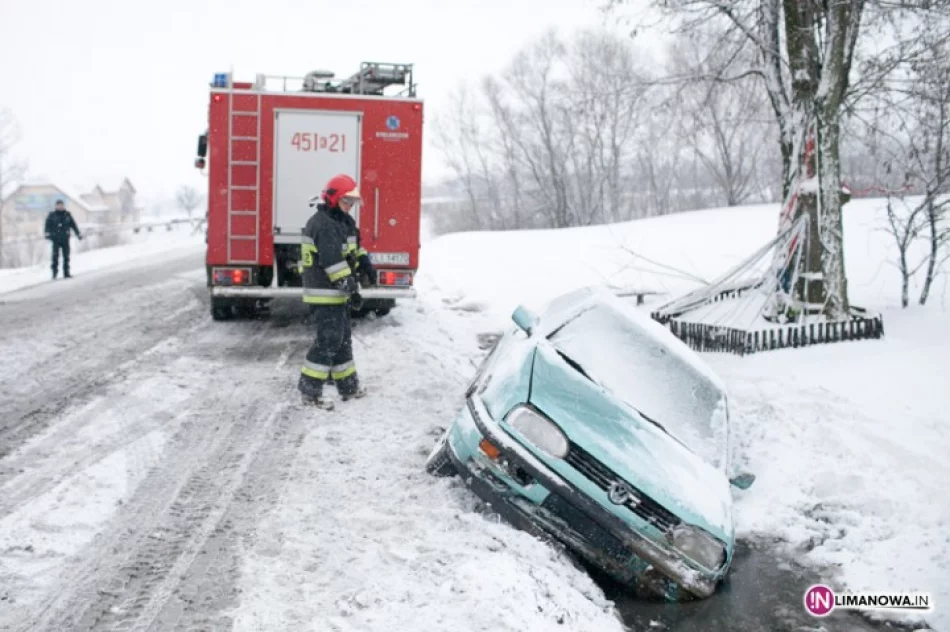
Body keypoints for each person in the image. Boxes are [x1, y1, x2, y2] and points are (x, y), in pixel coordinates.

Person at [298, 174, 368, 410]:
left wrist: (365, 261)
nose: (350, 206)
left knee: (342, 340)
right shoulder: (323, 224)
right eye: (346, 200)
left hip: (337, 292)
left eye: (353, 201)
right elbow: (332, 261)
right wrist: (350, 287)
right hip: (324, 292)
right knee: (329, 340)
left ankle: (348, 387)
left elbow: (353, 249)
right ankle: (309, 391)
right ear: (334, 198)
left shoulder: (343, 222)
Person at [44, 199, 83, 279]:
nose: (60, 207)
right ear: (56, 206)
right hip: (55, 239)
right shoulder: (52, 215)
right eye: (58, 205)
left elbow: (73, 225)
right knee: (55, 256)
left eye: (61, 205)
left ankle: (66, 272)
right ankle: (54, 273)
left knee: (66, 256)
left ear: (63, 206)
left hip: (65, 238)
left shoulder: (67, 215)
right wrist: (47, 234)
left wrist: (78, 234)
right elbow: (47, 226)